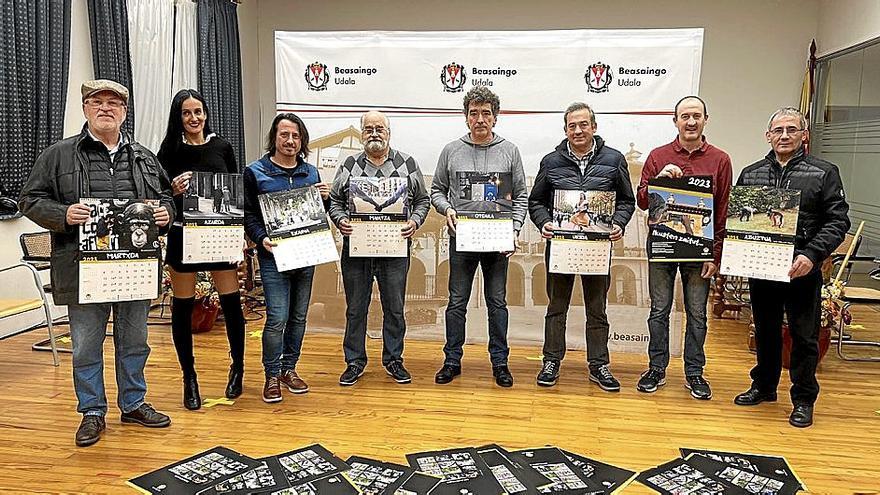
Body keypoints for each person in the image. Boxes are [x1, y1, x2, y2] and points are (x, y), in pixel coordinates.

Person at [19, 79, 175, 446]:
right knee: (86, 343)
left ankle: (134, 403)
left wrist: (166, 212)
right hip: (83, 268)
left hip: (135, 268)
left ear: (124, 111)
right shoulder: (58, 155)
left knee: (135, 340)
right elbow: (29, 199)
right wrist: (63, 213)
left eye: (114, 103)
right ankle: (92, 411)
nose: (105, 108)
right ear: (85, 108)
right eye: (96, 101)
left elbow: (166, 197)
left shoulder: (144, 156)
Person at [734, 107, 849, 428]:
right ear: (768, 135)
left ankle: (803, 398)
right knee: (765, 330)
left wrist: (811, 255)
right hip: (763, 267)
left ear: (804, 135)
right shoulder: (751, 173)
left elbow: (838, 221)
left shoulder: (824, 172)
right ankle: (764, 386)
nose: (784, 136)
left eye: (791, 130)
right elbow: (742, 222)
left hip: (802, 268)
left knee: (804, 336)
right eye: (778, 130)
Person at [528, 102, 634, 391]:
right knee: (556, 307)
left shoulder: (614, 159)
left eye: (583, 124)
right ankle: (551, 361)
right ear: (565, 130)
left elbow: (626, 200)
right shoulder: (550, 162)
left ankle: (599, 365)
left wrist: (620, 223)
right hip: (561, 247)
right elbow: (536, 201)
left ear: (594, 127)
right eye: (572, 125)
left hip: (597, 249)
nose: (578, 130)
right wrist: (544, 222)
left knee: (597, 309)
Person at [635, 96, 732, 399]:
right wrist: (658, 182)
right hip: (663, 245)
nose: (691, 122)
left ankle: (694, 372)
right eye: (685, 116)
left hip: (699, 252)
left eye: (696, 116)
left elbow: (724, 208)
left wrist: (716, 254)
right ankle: (656, 367)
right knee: (658, 310)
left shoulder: (720, 159)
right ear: (675, 120)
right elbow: (642, 202)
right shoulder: (657, 155)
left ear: (706, 119)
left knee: (697, 314)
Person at [430, 86, 528, 387]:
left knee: (497, 302)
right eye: (474, 113)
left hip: (498, 242)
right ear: (466, 117)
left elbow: (521, 195)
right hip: (462, 239)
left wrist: (514, 229)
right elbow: (436, 190)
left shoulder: (510, 150)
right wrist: (446, 208)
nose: (480, 119)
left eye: (486, 113)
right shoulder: (451, 150)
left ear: (495, 118)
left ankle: (500, 363)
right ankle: (451, 360)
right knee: (456, 302)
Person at [156, 88, 246, 410]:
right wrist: (172, 188)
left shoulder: (223, 146)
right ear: (178, 118)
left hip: (220, 234)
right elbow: (159, 196)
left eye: (198, 112)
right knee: (182, 308)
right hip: (184, 236)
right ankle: (189, 377)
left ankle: (238, 367)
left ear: (206, 113)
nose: (194, 118)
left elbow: (236, 187)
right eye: (186, 113)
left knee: (231, 303)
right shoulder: (168, 150)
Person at [328, 111, 431, 386]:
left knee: (395, 308)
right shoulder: (349, 164)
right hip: (356, 249)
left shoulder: (407, 163)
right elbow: (335, 202)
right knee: (355, 309)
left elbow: (423, 200)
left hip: (394, 250)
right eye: (368, 128)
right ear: (362, 133)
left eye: (379, 128)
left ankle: (394, 360)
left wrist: (415, 220)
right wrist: (340, 220)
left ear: (389, 132)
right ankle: (354, 362)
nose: (374, 133)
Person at [243, 113, 330, 403]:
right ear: (275, 138)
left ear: (302, 140)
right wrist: (260, 238)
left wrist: (325, 199)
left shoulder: (311, 173)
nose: (290, 141)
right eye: (284, 135)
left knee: (299, 317)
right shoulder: (255, 172)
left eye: (295, 136)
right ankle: (271, 374)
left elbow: (319, 215)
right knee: (276, 318)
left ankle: (288, 369)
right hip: (274, 257)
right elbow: (249, 215)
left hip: (306, 256)